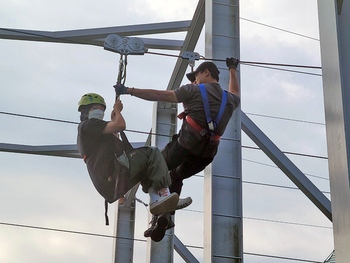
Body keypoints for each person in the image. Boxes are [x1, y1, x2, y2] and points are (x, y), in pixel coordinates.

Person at [115, 58, 240, 238]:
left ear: (206, 72)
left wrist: (129, 91)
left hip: (185, 145)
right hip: (207, 154)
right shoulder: (230, 99)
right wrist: (232, 69)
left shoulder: (193, 90)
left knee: (153, 166)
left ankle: (156, 203)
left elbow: (160, 96)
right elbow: (235, 90)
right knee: (175, 176)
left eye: (195, 76)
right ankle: (164, 217)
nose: (194, 81)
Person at [77, 93, 189, 241]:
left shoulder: (90, 131)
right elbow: (120, 126)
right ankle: (163, 195)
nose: (100, 111)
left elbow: (112, 135)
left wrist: (113, 118)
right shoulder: (87, 125)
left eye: (102, 109)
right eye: (96, 108)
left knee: (147, 168)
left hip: (110, 183)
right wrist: (118, 111)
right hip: (113, 172)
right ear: (85, 111)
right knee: (152, 153)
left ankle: (158, 208)